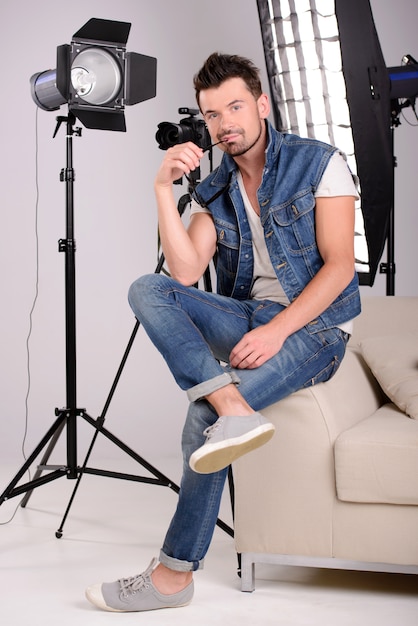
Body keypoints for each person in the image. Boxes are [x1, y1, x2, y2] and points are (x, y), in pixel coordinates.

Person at [85, 52, 360, 612]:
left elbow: (339, 268)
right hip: (248, 317)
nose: (224, 124)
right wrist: (164, 187)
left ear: (260, 105)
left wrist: (279, 331)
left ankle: (172, 575)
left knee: (202, 418)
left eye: (235, 107)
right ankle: (232, 404)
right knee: (148, 287)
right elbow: (184, 273)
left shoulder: (319, 163)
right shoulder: (215, 189)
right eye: (212, 115)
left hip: (318, 330)